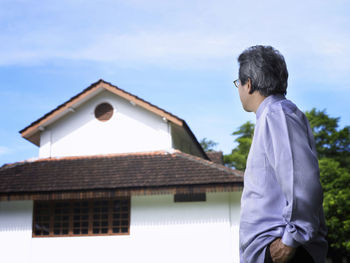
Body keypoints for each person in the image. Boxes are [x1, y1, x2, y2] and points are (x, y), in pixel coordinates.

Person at [235, 45, 328, 263]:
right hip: (274, 248)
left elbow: (301, 181)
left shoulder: (277, 114)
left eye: (237, 83)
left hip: (283, 250)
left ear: (248, 84)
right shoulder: (272, 115)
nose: (238, 88)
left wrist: (290, 239)